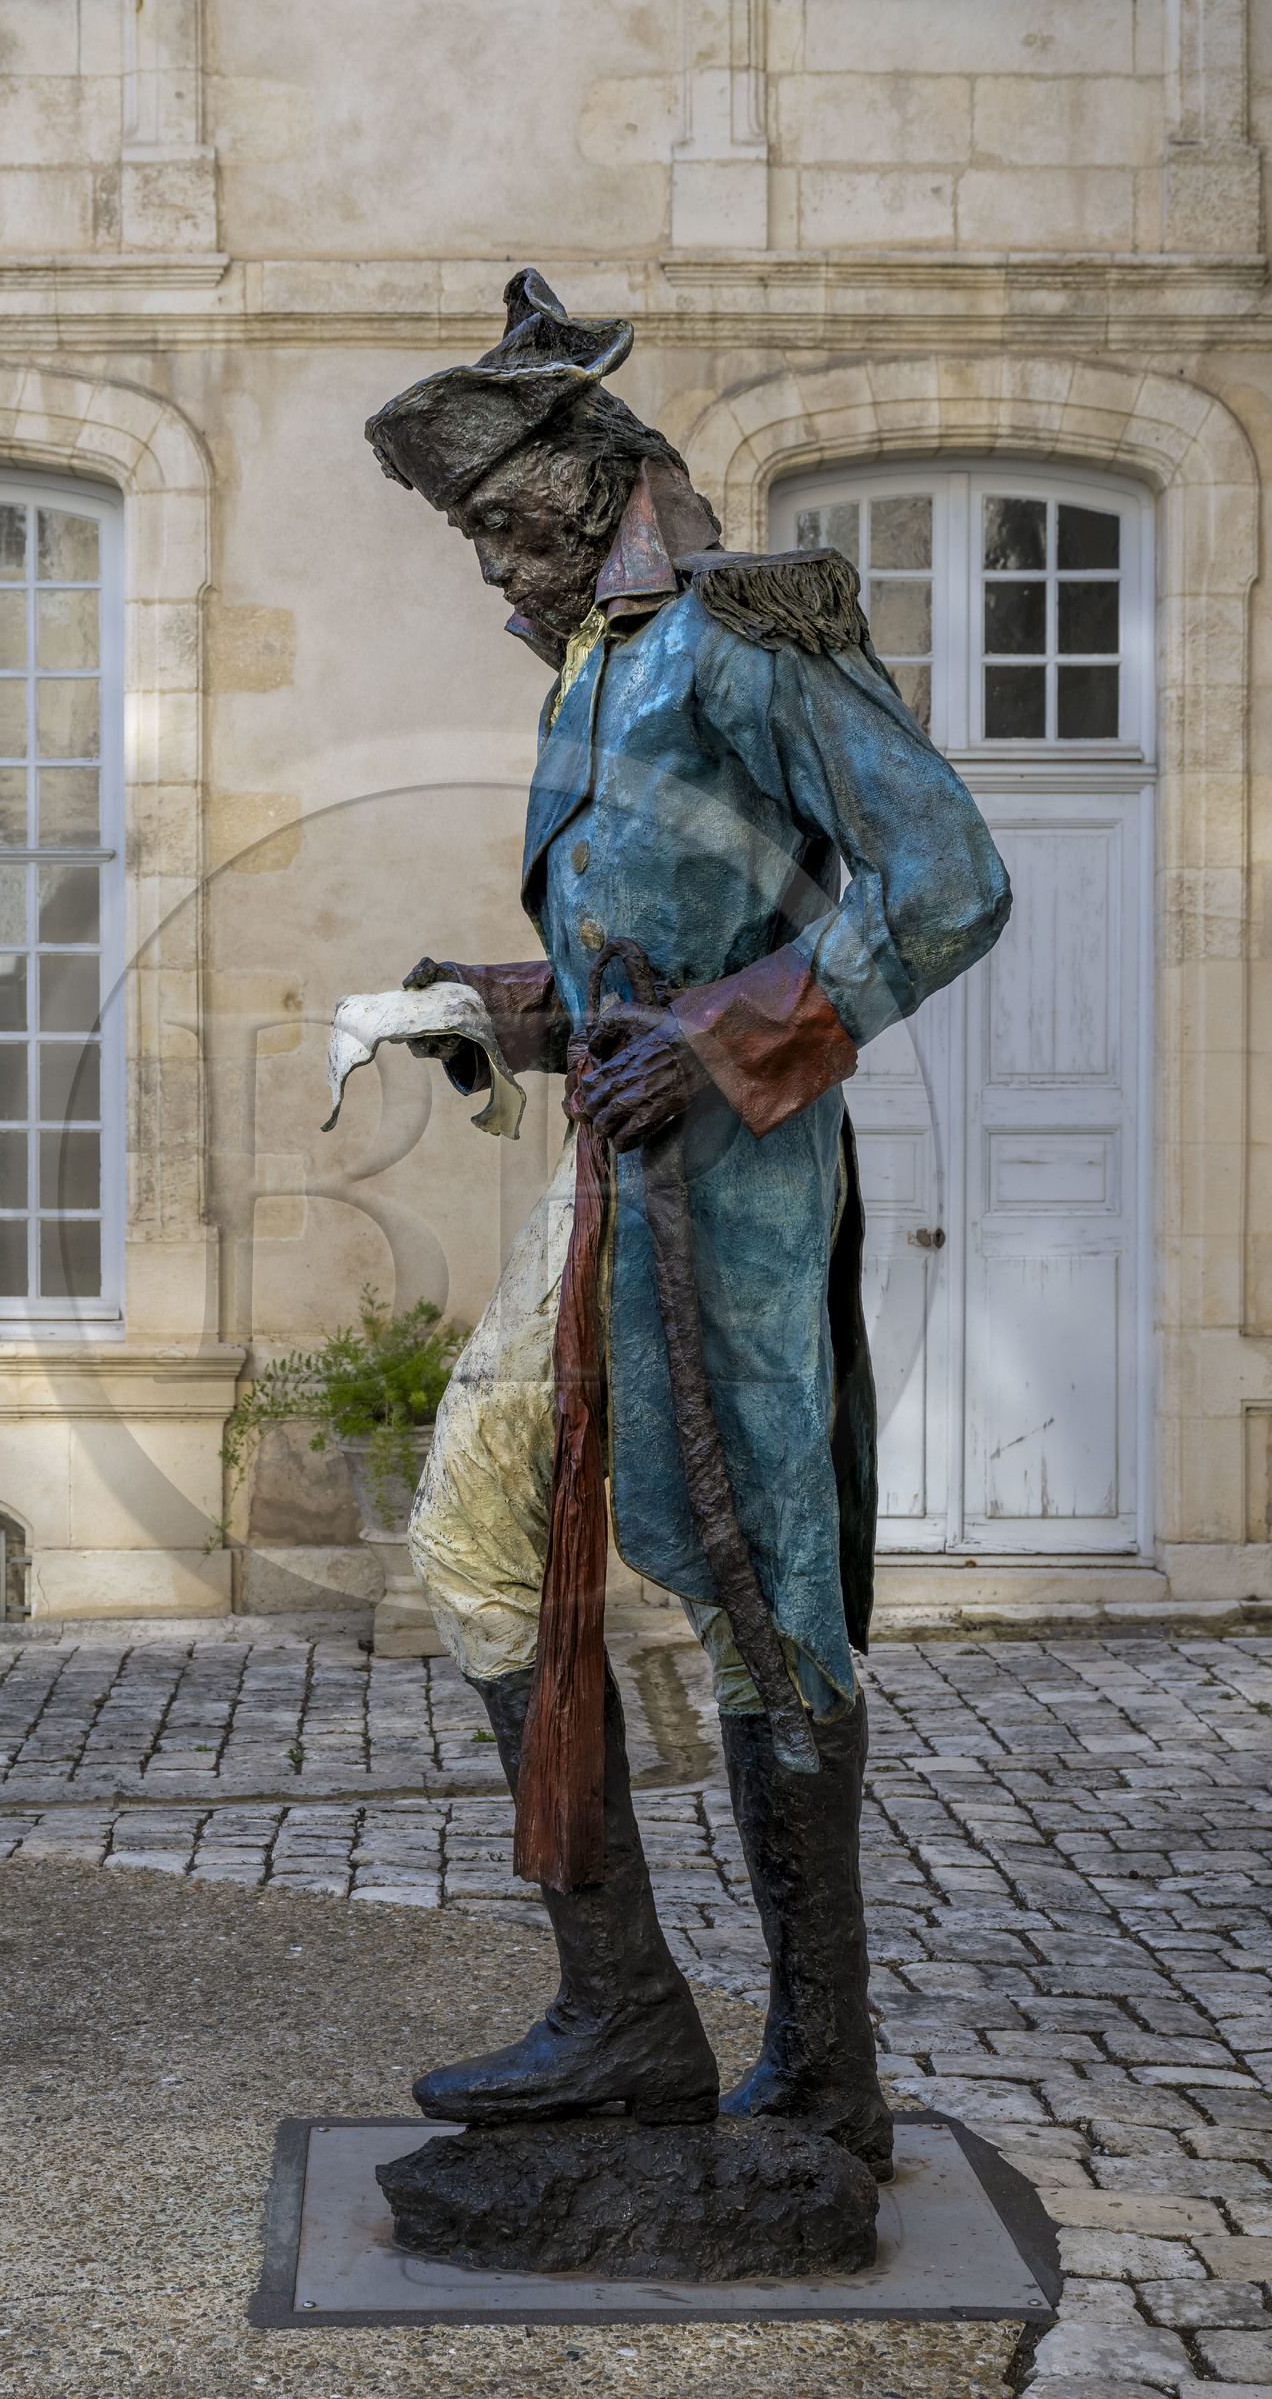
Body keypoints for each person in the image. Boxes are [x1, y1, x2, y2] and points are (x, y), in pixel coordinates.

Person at [363, 271, 1010, 2181]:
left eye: (498, 519)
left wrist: (728, 1041)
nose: (490, 565)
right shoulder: (598, 672)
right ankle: (629, 2010)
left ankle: (825, 2069)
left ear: (594, 475)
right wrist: (516, 1005)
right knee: (483, 1537)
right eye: (472, 531)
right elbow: (651, 952)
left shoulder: (736, 637)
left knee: (764, 1599)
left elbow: (949, 881)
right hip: (612, 1203)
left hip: (727, 1206)